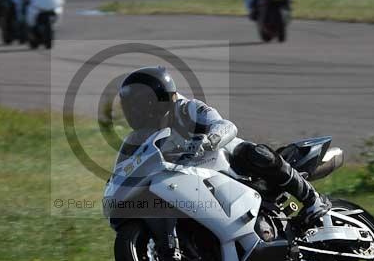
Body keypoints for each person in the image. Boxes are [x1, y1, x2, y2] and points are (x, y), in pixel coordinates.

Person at [116, 66, 330, 224]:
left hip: (226, 164)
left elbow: (226, 126)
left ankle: (313, 200)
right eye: (129, 106)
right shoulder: (139, 139)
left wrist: (209, 141)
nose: (132, 112)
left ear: (157, 99)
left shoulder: (187, 109)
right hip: (187, 182)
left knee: (256, 153)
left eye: (137, 104)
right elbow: (123, 168)